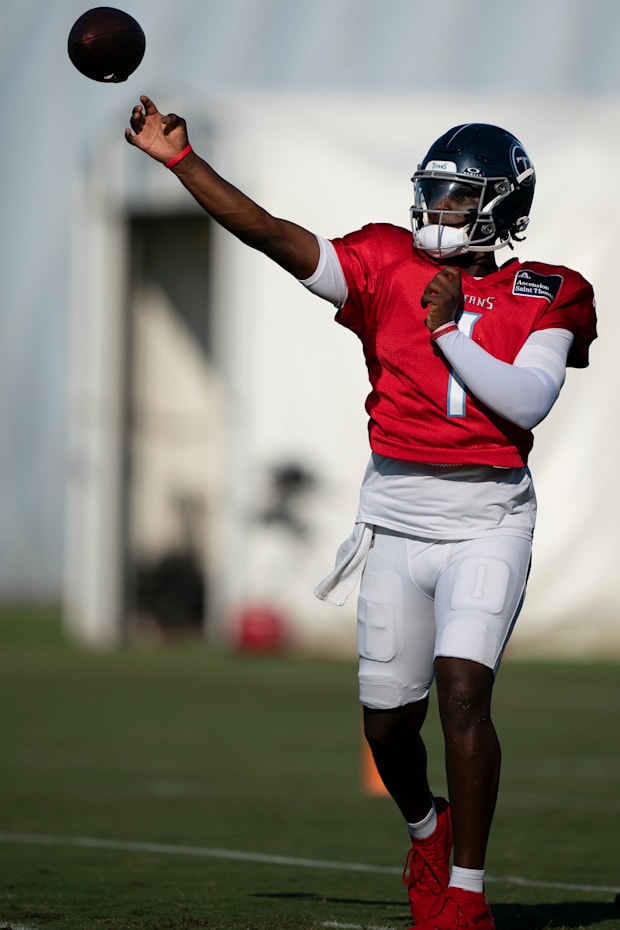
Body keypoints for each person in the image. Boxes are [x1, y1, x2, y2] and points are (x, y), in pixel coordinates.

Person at [125, 99, 597, 930]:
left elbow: (527, 401)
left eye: (456, 196)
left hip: (487, 518)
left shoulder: (548, 290)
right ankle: (427, 828)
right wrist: (180, 162)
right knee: (387, 726)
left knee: (463, 692)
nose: (436, 209)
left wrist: (450, 331)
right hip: (394, 515)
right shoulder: (385, 260)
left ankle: (466, 895)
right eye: (434, 192)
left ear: (498, 205)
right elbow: (272, 234)